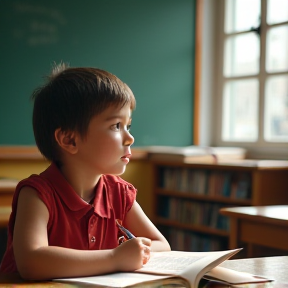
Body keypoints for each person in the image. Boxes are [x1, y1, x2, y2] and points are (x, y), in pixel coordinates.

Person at [0, 64, 171, 280]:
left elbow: (162, 245)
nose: (130, 138)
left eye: (128, 125)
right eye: (116, 126)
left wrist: (132, 253)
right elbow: (32, 262)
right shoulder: (37, 194)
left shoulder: (119, 192)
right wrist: (115, 258)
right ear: (69, 140)